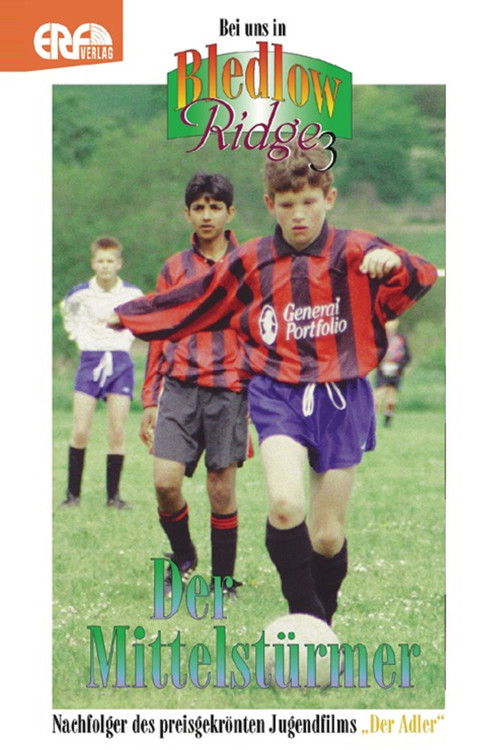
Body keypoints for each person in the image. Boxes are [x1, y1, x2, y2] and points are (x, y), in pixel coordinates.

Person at [110, 144, 437, 624]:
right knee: (284, 506)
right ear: (269, 204)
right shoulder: (253, 260)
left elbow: (420, 276)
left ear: (329, 198)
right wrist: (130, 316)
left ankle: (322, 621)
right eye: (287, 204)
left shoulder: (356, 249)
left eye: (309, 202)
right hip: (277, 392)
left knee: (327, 537)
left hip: (342, 397)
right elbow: (196, 299)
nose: (298, 214)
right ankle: (304, 614)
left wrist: (393, 262)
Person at [139, 173, 249, 596]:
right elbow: (159, 331)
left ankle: (223, 581)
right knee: (165, 483)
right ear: (187, 213)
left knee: (220, 487)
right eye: (199, 207)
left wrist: (256, 396)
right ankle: (184, 556)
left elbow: (258, 331)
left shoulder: (247, 265)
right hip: (180, 388)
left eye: (215, 207)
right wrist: (150, 398)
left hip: (229, 390)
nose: (207, 215)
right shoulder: (174, 268)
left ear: (229, 212)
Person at [60, 235, 142, 509]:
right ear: (93, 263)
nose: (105, 266)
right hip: (90, 361)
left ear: (119, 263)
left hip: (119, 362)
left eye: (110, 261)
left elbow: (143, 320)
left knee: (117, 431)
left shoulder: (132, 294)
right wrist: (82, 338)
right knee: (80, 430)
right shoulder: (80, 293)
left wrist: (125, 335)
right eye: (101, 261)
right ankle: (72, 496)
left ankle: (113, 497)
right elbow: (68, 315)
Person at [374, 319, 411, 426]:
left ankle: (388, 417)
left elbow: (407, 356)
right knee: (379, 393)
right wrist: (380, 365)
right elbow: (375, 353)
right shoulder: (380, 338)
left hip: (396, 370)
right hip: (383, 369)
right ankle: (373, 418)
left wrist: (399, 366)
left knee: (392, 394)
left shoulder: (401, 339)